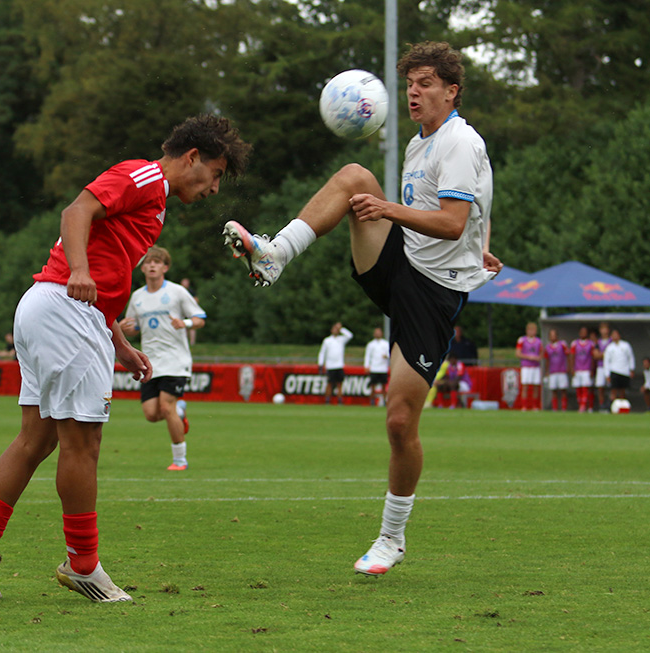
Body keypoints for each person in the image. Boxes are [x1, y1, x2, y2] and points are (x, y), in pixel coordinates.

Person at [221, 41, 501, 577]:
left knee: (399, 420)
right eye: (410, 84)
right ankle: (275, 254)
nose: (414, 93)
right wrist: (477, 242)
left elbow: (449, 221)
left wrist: (408, 218)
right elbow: (472, 208)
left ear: (452, 89)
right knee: (355, 176)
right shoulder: (423, 143)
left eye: (425, 83)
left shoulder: (460, 141)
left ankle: (392, 538)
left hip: (433, 292)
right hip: (403, 264)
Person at [0, 115, 251, 601]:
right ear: (192, 158)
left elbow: (105, 277)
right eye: (215, 174)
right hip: (66, 308)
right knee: (83, 443)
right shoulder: (145, 176)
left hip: (50, 308)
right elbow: (76, 211)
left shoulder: (156, 204)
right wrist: (81, 270)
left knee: (35, 439)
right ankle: (83, 566)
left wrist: (120, 344)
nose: (215, 188)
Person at [120, 247, 206, 470]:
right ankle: (180, 411)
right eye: (147, 262)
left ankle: (180, 459)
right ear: (142, 268)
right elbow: (133, 328)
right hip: (150, 362)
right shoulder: (137, 297)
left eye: (156, 262)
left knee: (166, 407)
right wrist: (122, 328)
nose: (151, 265)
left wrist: (184, 323)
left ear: (165, 267)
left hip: (176, 360)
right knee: (151, 414)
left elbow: (199, 318)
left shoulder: (177, 292)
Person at [318, 322, 353, 405]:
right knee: (330, 384)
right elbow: (322, 353)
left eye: (337, 329)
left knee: (339, 384)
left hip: (339, 365)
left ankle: (340, 400)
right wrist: (320, 363)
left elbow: (350, 335)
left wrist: (341, 329)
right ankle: (327, 400)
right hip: (330, 366)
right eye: (334, 329)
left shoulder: (341, 339)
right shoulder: (327, 340)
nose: (335, 330)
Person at [603, 329, 635, 404]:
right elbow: (606, 361)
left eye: (616, 335)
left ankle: (623, 406)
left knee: (622, 391)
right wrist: (607, 374)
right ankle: (611, 406)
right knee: (613, 390)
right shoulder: (609, 347)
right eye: (613, 335)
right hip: (614, 371)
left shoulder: (626, 345)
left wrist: (631, 369)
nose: (615, 336)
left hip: (624, 371)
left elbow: (631, 357)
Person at [516, 322, 543, 411]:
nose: (532, 332)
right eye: (530, 330)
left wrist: (538, 358)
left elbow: (542, 353)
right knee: (525, 386)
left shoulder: (539, 341)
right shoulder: (522, 340)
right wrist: (529, 357)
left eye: (534, 330)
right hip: (526, 366)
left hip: (535, 366)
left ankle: (534, 406)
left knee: (535, 386)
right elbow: (518, 353)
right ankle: (524, 406)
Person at [569, 326, 595, 412]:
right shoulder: (574, 343)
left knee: (585, 388)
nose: (583, 333)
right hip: (577, 369)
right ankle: (580, 404)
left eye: (585, 332)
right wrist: (572, 368)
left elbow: (592, 357)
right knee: (578, 388)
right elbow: (572, 356)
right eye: (582, 331)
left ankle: (585, 406)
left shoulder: (591, 344)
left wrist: (592, 369)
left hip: (586, 369)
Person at [543, 328, 570, 412]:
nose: (553, 337)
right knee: (553, 390)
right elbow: (547, 360)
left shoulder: (562, 344)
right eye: (551, 335)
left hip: (562, 370)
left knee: (563, 390)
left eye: (554, 335)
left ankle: (564, 408)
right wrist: (546, 371)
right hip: (552, 371)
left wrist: (568, 367)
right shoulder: (547, 347)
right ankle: (555, 408)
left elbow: (568, 355)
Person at [363, 327, 390, 406]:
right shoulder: (371, 344)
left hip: (383, 368)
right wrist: (366, 366)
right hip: (374, 368)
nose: (377, 334)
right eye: (376, 332)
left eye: (379, 332)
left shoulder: (385, 343)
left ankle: (385, 401)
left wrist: (387, 356)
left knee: (383, 386)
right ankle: (372, 401)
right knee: (373, 386)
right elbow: (367, 356)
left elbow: (390, 353)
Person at [593, 322, 612, 410]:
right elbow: (596, 355)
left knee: (611, 387)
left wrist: (602, 354)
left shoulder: (611, 341)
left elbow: (612, 354)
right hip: (600, 367)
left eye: (606, 329)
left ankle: (611, 405)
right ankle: (601, 405)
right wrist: (604, 354)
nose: (604, 331)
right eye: (602, 329)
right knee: (600, 387)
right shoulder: (598, 342)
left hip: (611, 367)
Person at [178, 278, 200, 346]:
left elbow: (196, 300)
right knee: (182, 326)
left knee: (191, 325)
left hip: (189, 311)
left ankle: (192, 342)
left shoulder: (190, 291)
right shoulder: (178, 291)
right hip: (181, 311)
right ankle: (184, 341)